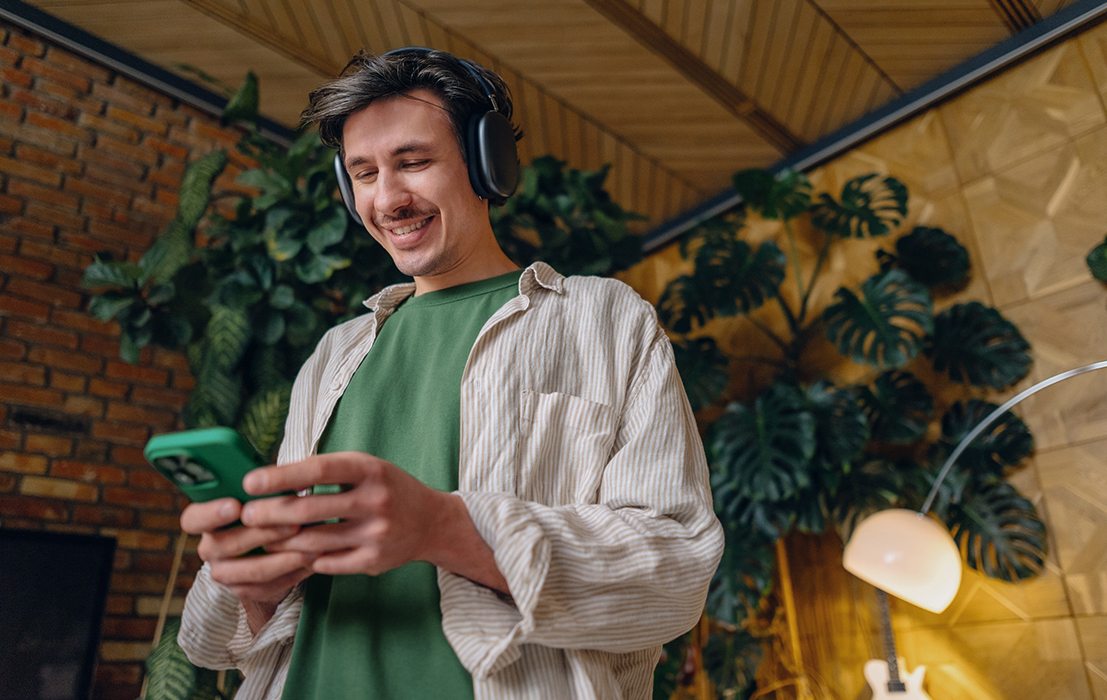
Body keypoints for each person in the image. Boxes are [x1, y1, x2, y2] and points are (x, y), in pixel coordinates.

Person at [177, 47, 723, 700]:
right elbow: (229, 644)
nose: (388, 199)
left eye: (413, 162)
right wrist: (255, 585)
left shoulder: (603, 321)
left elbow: (676, 574)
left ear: (487, 163)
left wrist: (440, 527)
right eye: (364, 173)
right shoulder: (332, 356)